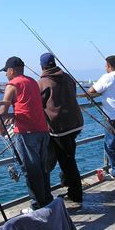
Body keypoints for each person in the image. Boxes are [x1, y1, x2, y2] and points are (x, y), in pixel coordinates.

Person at [0, 56, 53, 212]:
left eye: (6, 71)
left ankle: (37, 206)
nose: (5, 74)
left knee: (30, 170)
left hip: (26, 131)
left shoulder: (12, 84)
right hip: (42, 129)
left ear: (11, 70)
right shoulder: (32, 82)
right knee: (42, 168)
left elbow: (3, 109)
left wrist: (0, 126)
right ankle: (47, 200)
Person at [38, 53, 84, 203]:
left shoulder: (43, 82)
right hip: (75, 123)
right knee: (69, 155)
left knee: (67, 161)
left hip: (59, 127)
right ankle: (67, 183)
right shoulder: (68, 77)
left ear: (42, 66)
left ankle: (76, 193)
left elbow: (39, 104)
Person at [88, 55, 115, 180]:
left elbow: (92, 90)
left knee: (110, 146)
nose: (105, 68)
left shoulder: (108, 77)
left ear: (109, 66)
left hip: (114, 117)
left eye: (105, 65)